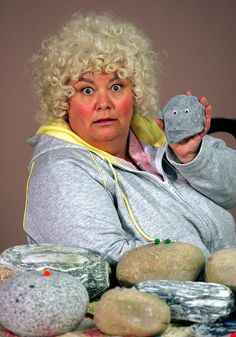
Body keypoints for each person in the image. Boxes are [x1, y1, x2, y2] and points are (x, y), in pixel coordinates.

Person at [23, 11, 236, 266]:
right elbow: (102, 260)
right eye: (87, 90)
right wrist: (212, 267)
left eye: (116, 87)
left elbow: (231, 191)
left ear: (134, 93)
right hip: (163, 303)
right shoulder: (60, 171)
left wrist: (194, 157)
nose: (104, 104)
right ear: (64, 100)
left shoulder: (157, 137)